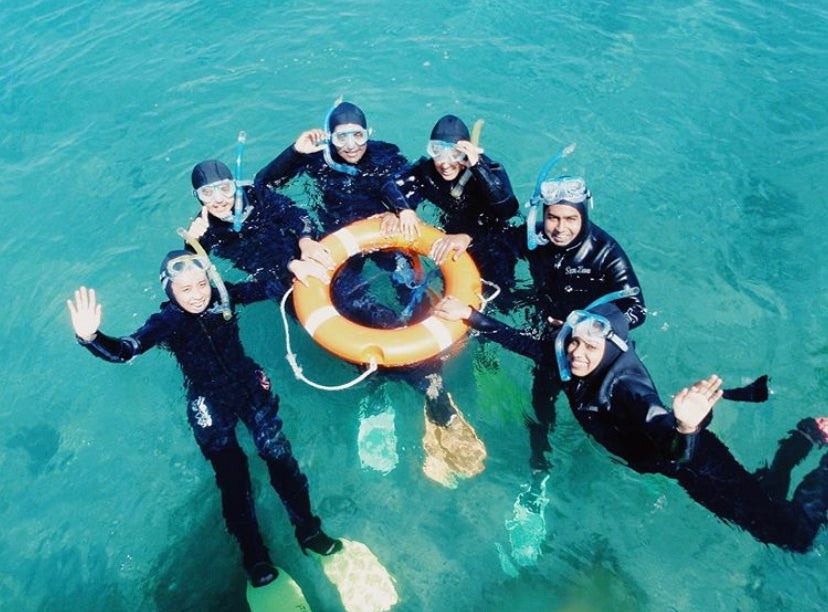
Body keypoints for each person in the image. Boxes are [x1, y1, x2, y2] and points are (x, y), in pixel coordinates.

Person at [435, 296, 828, 551]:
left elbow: (674, 454)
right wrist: (470, 316)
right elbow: (525, 343)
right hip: (680, 456)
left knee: (794, 537)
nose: (576, 353)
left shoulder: (629, 389)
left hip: (696, 466)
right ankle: (801, 442)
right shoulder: (571, 359)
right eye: (574, 341)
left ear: (613, 350)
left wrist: (687, 429)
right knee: (770, 508)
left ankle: (816, 455)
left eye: (590, 347)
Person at [66, 252, 342, 588]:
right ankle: (255, 556)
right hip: (208, 402)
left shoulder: (222, 295)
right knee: (233, 479)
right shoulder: (166, 322)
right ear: (170, 292)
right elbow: (126, 350)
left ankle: (308, 531)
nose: (197, 294)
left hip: (248, 385)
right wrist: (92, 338)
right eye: (185, 289)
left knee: (279, 456)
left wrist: (295, 266)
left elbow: (266, 288)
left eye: (201, 284)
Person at [256, 101, 486, 484]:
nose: (351, 144)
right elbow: (265, 185)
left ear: (369, 133)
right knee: (358, 312)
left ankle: (425, 385)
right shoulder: (317, 160)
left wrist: (401, 208)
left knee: (411, 296)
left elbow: (394, 184)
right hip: (340, 251)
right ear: (330, 136)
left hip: (385, 243)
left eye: (358, 134)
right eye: (342, 136)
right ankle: (404, 385)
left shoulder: (386, 155)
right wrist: (294, 152)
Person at [512, 174, 647, 472]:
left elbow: (638, 309)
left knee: (598, 410)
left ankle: (635, 455)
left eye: (571, 218)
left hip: (589, 344)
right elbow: (501, 247)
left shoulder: (605, 252)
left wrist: (587, 327)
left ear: (584, 214)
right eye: (553, 218)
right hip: (549, 329)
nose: (560, 228)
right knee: (541, 403)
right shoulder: (535, 236)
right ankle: (539, 465)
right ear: (543, 215)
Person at [380, 114, 520, 298]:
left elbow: (507, 210)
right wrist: (401, 209)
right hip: (455, 228)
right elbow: (388, 185)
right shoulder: (427, 173)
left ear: (466, 152)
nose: (445, 163)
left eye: (455, 154)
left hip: (496, 236)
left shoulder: (491, 170)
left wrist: (477, 167)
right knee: (451, 291)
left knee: (500, 295)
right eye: (437, 151)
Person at [185, 158, 328, 296]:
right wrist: (192, 244)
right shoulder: (204, 229)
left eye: (225, 188)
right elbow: (191, 274)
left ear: (235, 186)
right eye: (207, 193)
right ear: (197, 196)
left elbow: (294, 214)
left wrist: (306, 239)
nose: (218, 199)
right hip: (271, 276)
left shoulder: (256, 195)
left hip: (299, 250)